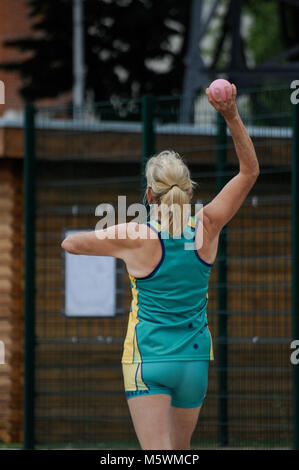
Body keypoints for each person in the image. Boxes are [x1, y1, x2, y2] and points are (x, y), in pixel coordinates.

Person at [61, 84, 259, 450]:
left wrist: (117, 236)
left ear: (150, 195)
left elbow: (70, 244)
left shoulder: (136, 235)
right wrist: (231, 115)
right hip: (194, 359)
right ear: (189, 189)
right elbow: (248, 172)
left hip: (148, 357)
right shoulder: (207, 226)